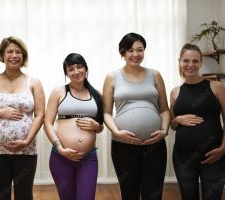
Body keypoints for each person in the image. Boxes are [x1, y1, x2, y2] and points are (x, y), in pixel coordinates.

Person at [103, 32, 170, 200]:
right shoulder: (113, 77)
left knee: (153, 193)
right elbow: (106, 113)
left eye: (140, 50)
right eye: (130, 50)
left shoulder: (155, 75)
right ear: (123, 52)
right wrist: (117, 132)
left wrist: (164, 130)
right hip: (123, 146)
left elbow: (164, 109)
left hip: (155, 145)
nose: (135, 54)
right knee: (129, 193)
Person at [0, 36, 45, 200]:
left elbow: (40, 115)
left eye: (18, 52)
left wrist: (27, 140)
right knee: (1, 195)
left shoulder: (33, 82)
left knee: (24, 195)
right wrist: (1, 112)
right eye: (9, 51)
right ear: (2, 55)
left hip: (26, 150)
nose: (14, 55)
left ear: (23, 56)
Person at [44, 53, 104, 200]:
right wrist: (60, 148)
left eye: (79, 67)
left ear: (86, 68)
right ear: (66, 73)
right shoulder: (59, 92)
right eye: (71, 69)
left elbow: (101, 127)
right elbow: (47, 124)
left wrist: (96, 125)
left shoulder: (96, 94)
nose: (76, 72)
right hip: (61, 158)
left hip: (88, 159)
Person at [170, 43, 225, 200]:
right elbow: (172, 125)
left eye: (195, 61)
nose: (190, 65)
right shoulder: (175, 92)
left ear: (201, 62)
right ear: (179, 61)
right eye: (186, 61)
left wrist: (223, 149)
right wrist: (178, 119)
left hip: (214, 157)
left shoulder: (216, 87)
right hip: (183, 158)